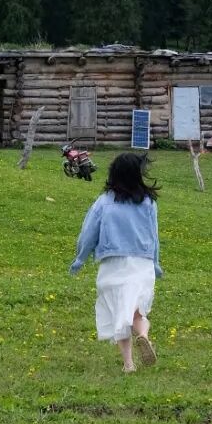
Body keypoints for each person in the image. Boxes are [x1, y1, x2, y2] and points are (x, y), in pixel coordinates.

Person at [69, 151, 162, 372]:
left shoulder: (104, 202)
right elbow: (154, 235)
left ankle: (128, 363)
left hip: (113, 263)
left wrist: (80, 258)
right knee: (138, 311)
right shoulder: (148, 202)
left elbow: (89, 231)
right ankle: (143, 334)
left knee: (119, 312)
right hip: (142, 262)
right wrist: (156, 263)